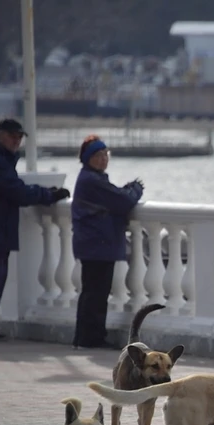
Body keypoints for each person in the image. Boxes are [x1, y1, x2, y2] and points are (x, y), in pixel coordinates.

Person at [0, 118, 70, 344]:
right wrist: (48, 195)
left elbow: (14, 188)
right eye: (13, 136)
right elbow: (17, 191)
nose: (16, 141)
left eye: (19, 137)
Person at [71, 135, 144, 349]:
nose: (103, 159)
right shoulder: (92, 180)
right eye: (97, 155)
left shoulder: (92, 179)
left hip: (94, 244)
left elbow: (115, 197)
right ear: (87, 159)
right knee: (95, 293)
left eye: (105, 154)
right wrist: (136, 188)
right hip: (97, 244)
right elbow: (123, 201)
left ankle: (85, 337)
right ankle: (90, 338)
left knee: (93, 292)